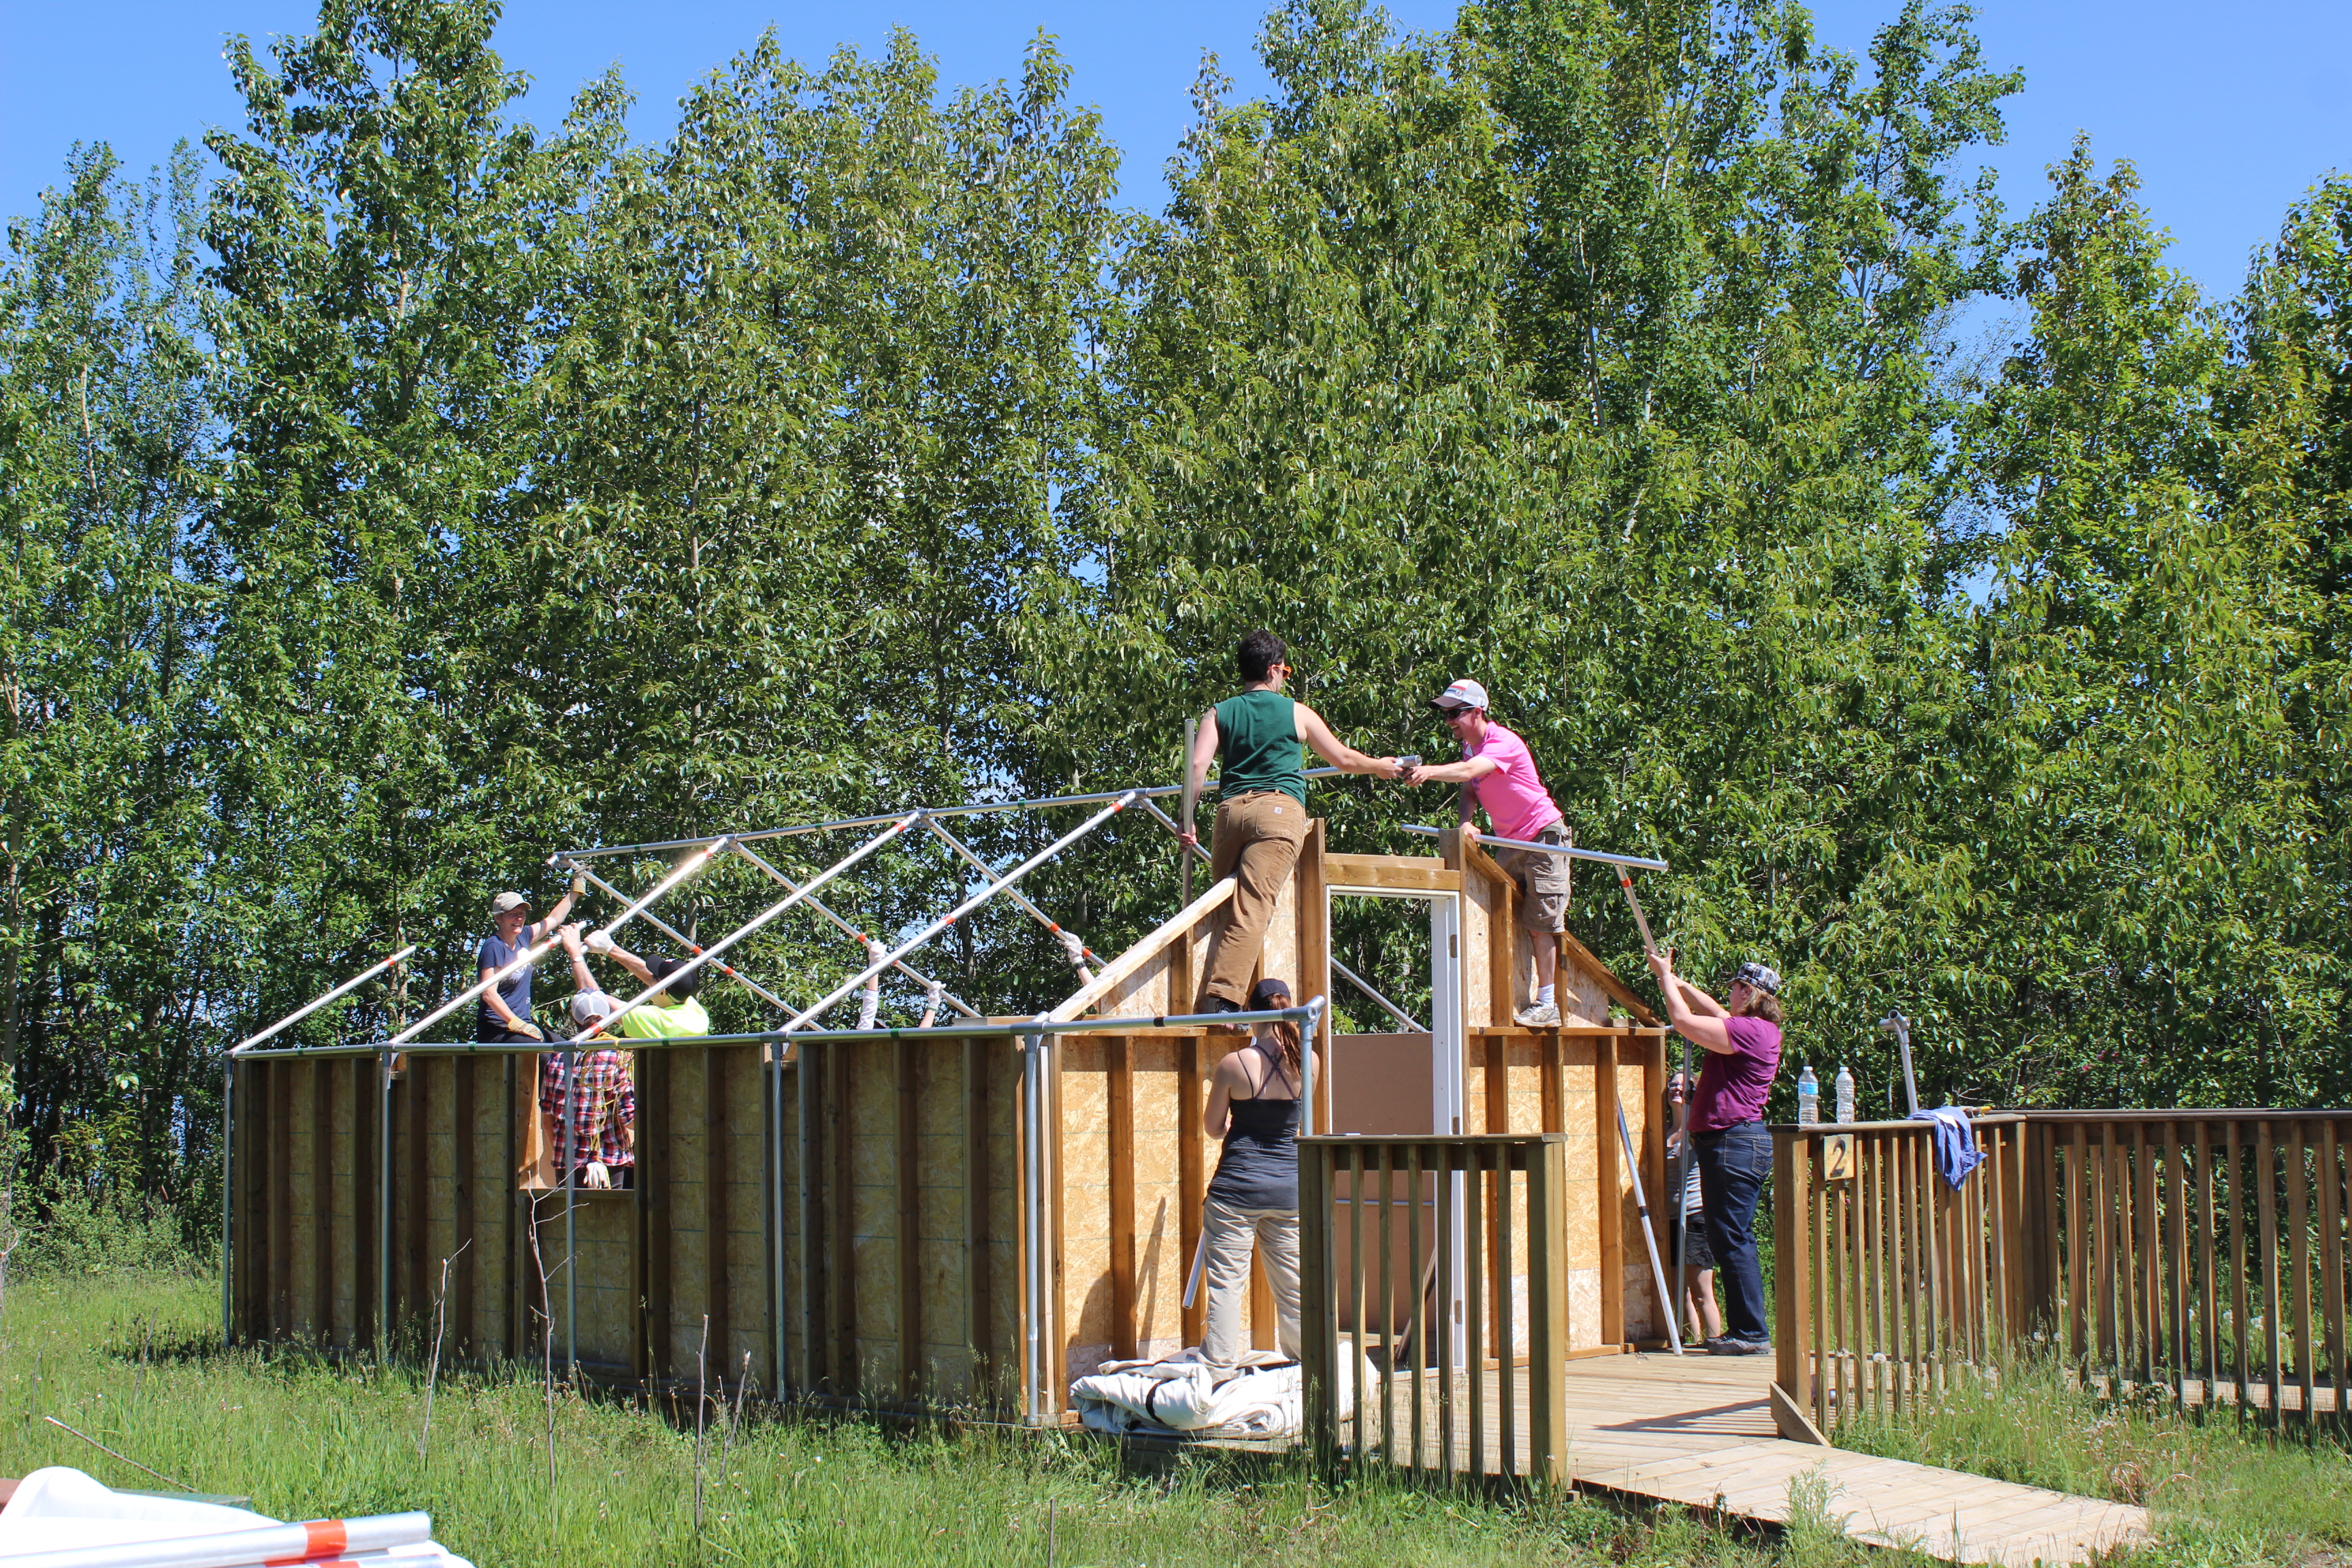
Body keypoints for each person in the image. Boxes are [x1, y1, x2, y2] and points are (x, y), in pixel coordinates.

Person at [1179, 631, 1401, 1016]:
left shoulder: (1219, 712)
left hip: (1231, 813)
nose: (1286, 677)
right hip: (1278, 813)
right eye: (1285, 670)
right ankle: (1222, 1001)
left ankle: (1234, 994)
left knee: (1226, 907)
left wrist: (1187, 819)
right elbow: (1344, 758)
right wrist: (1380, 767)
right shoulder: (1296, 711)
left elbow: (1197, 766)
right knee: (1252, 908)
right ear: (1272, 669)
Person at [1401, 679, 1571, 1025]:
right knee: (1500, 916)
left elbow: (1468, 773)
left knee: (1541, 922)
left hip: (1542, 836)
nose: (1449, 721)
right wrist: (1466, 822)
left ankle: (1549, 1003)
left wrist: (1428, 772)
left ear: (1478, 712)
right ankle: (1509, 996)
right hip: (1509, 841)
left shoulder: (1503, 742)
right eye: (1445, 714)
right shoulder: (1469, 749)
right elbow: (1469, 789)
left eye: (1454, 713)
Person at [1647, 949, 1782, 1354]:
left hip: (1733, 1143)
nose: (1731, 994)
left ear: (1750, 993)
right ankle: (1747, 1330)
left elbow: (1684, 1023)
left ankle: (1751, 1334)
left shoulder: (1751, 1032)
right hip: (1734, 1142)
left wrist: (1666, 981)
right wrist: (1680, 983)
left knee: (1732, 1237)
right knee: (1732, 1236)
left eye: (1737, 987)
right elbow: (1719, 1014)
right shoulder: (1754, 1029)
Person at [1199, 977, 1309, 1363]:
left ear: (1253, 1013)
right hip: (1288, 1192)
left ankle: (1218, 1371)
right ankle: (1305, 1370)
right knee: (1294, 1287)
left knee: (1227, 1286)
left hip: (1236, 1192)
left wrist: (1233, 1125)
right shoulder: (1308, 1061)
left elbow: (1212, 1128)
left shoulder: (1234, 1064)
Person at [537, 981, 637, 1190]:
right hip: (611, 1159)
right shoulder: (618, 1059)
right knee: (612, 1219)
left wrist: (563, 1151)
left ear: (575, 1020)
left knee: (572, 1218)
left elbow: (547, 1118)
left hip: (568, 1160)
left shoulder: (556, 1061)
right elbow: (629, 1119)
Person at [475, 877, 583, 1043]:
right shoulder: (494, 946)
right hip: (497, 1028)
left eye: (521, 914)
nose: (519, 919)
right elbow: (489, 993)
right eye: (512, 914)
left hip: (522, 1024)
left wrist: (575, 892)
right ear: (498, 918)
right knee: (544, 1053)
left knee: (566, 1050)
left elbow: (555, 919)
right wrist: (515, 1023)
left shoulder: (523, 936)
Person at [565, 924, 712, 1041]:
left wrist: (575, 953)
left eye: (655, 979)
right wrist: (610, 948)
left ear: (662, 991)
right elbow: (654, 978)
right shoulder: (693, 1009)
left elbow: (594, 1001)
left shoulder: (659, 1022)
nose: (650, 980)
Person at [1664, 1070, 1722, 1345]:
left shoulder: (1698, 1129)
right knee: (1682, 1292)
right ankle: (1691, 1343)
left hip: (1696, 1216)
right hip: (1671, 1219)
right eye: (1672, 1084)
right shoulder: (1663, 1132)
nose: (1676, 1089)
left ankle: (1715, 1345)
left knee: (1701, 1292)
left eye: (1682, 1085)